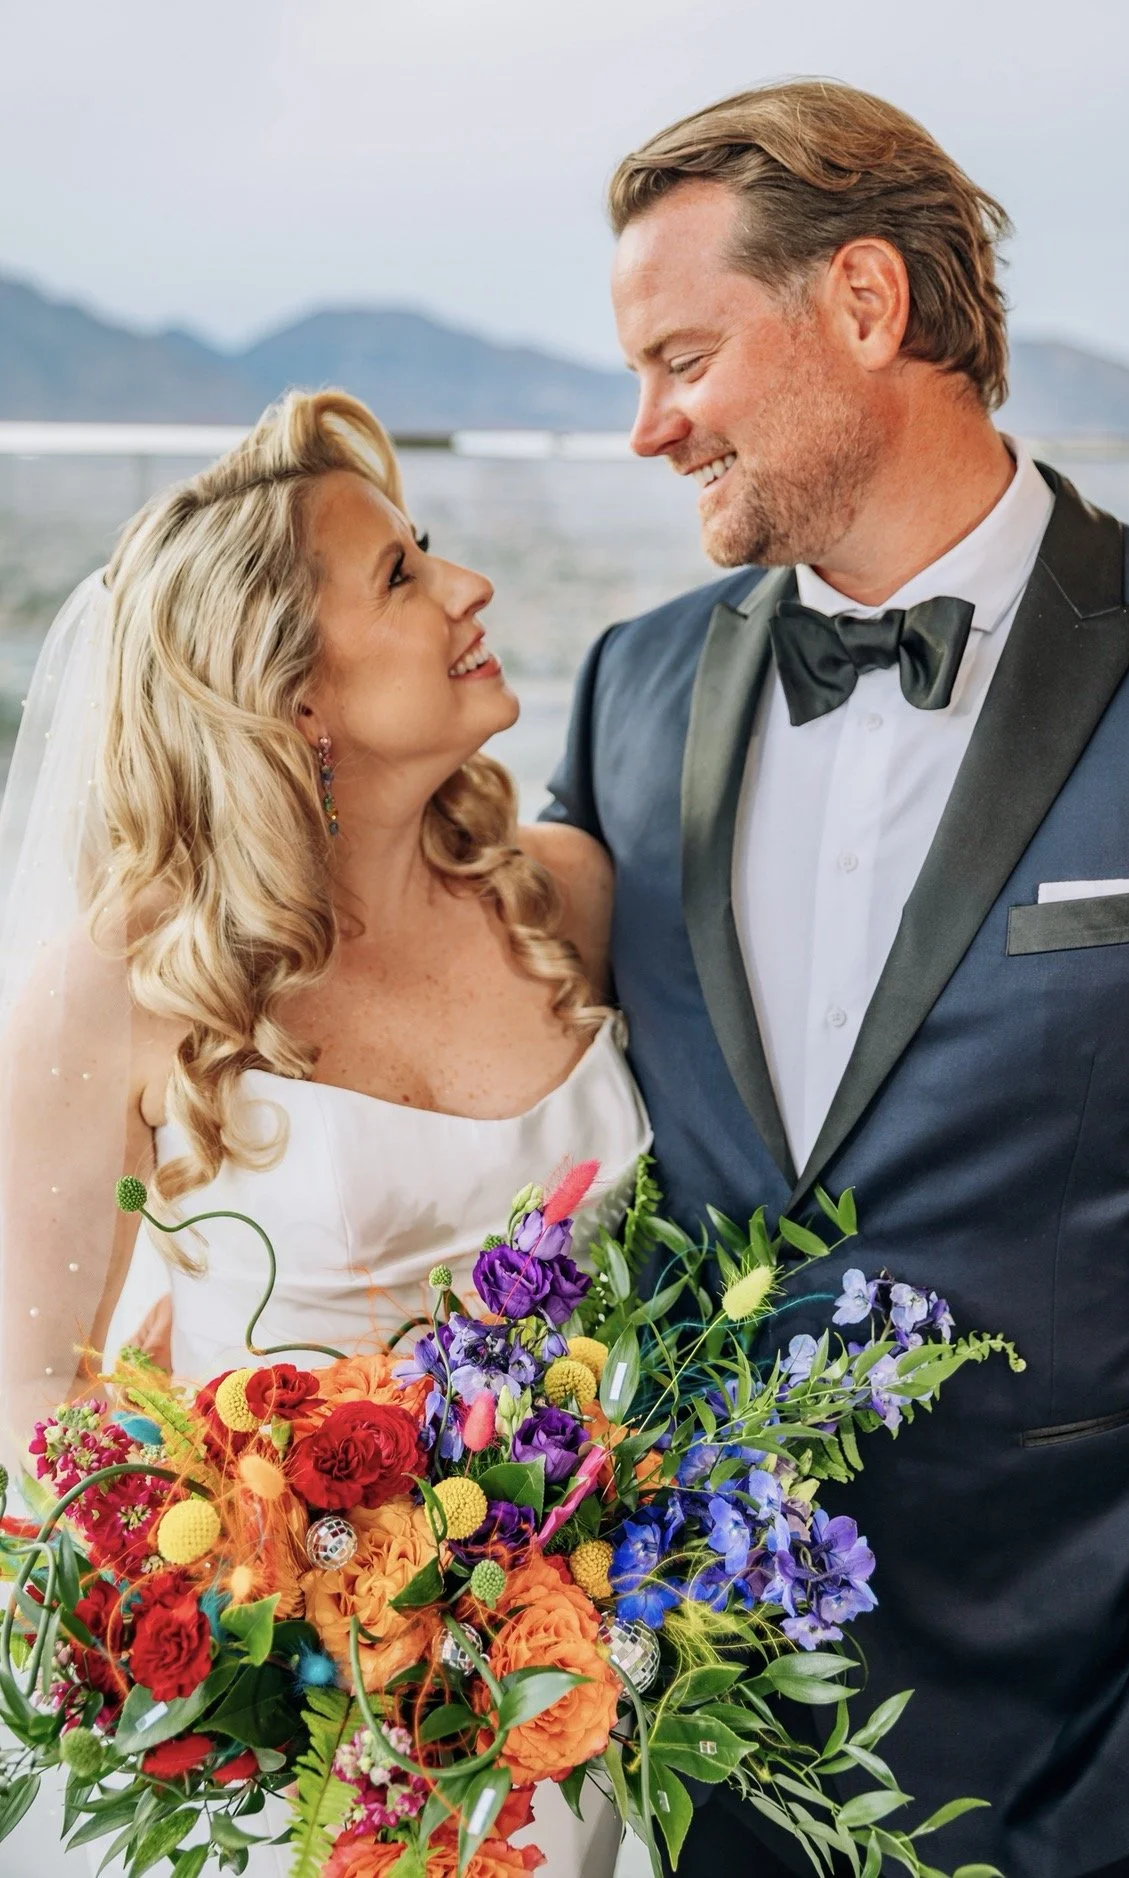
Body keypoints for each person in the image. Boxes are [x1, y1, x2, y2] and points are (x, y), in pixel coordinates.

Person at [543, 78, 1129, 1878]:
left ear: (865, 305)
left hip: (1114, 1707)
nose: (648, 427)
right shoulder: (623, 697)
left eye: (683, 356)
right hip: (707, 1717)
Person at [0, 389, 646, 1876]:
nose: (469, 587)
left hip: (555, 1712)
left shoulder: (565, 899)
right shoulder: (121, 984)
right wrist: (236, 1630)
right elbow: (34, 1381)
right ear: (294, 695)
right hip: (282, 1754)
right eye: (405, 575)